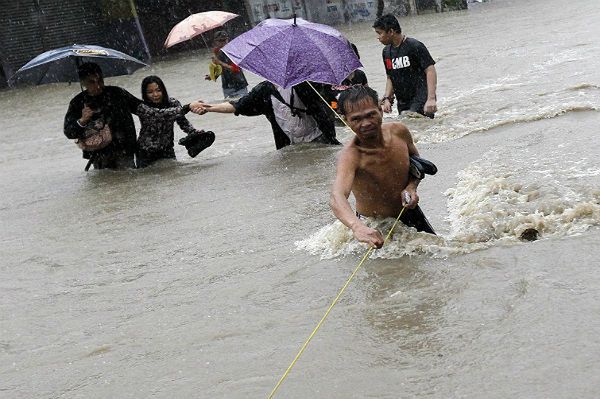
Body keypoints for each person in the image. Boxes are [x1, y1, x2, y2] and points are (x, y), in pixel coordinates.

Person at [329, 86, 435, 249]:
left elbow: (416, 164)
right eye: (356, 119)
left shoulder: (399, 131)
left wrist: (411, 187)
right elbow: (337, 196)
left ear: (380, 109)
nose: (366, 123)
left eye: (371, 114)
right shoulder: (350, 156)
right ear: (345, 120)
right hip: (374, 226)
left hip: (409, 212)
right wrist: (357, 227)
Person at [190, 80, 340, 150]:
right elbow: (237, 106)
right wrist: (208, 107)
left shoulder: (305, 83)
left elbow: (329, 104)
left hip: (321, 140)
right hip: (290, 146)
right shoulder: (263, 91)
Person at [64, 62, 140, 170]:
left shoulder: (117, 93)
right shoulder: (77, 103)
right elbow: (69, 132)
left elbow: (140, 109)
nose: (98, 85)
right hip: (99, 155)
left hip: (124, 150)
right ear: (83, 82)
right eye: (92, 82)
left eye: (100, 80)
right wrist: (82, 120)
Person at [136, 76, 215, 168]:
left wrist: (193, 132)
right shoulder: (143, 107)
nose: (155, 94)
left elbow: (183, 122)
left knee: (173, 178)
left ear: (163, 90)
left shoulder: (172, 103)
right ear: (145, 94)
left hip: (167, 149)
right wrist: (188, 107)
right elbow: (162, 114)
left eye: (158, 90)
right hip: (145, 152)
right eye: (150, 92)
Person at [373, 14, 438, 118]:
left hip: (421, 97)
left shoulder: (414, 46)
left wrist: (431, 98)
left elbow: (430, 70)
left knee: (415, 123)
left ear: (391, 32)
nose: (378, 37)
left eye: (380, 33)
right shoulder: (386, 52)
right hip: (402, 101)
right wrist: (387, 98)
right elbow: (390, 77)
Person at [205, 31, 249, 99]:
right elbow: (220, 68)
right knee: (229, 106)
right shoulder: (216, 51)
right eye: (220, 41)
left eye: (224, 40)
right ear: (215, 42)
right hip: (227, 87)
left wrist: (219, 62)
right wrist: (213, 76)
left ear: (228, 39)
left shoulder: (234, 51)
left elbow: (235, 69)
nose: (223, 43)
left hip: (240, 85)